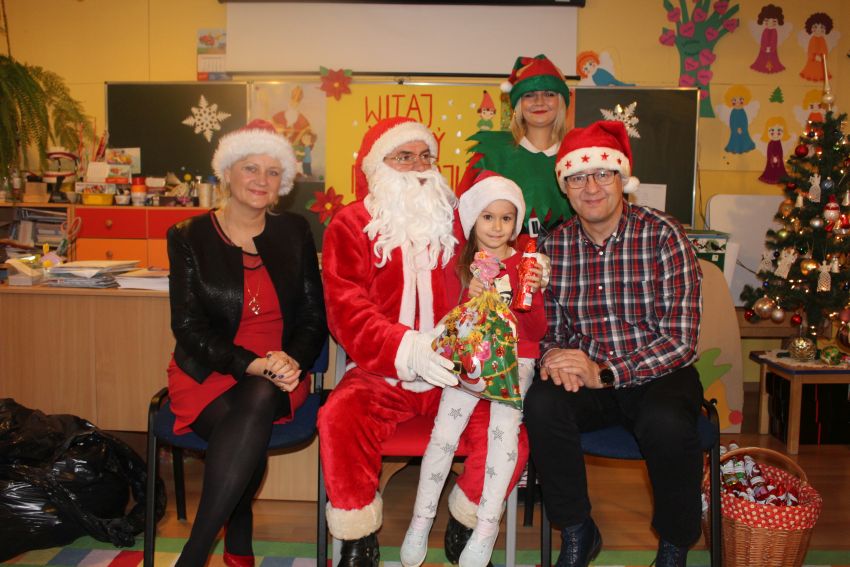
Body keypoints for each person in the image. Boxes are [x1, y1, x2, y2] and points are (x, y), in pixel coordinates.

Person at [319, 117, 529, 567]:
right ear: (377, 166)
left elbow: (503, 230)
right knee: (339, 418)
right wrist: (410, 348)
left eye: (425, 156)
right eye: (403, 156)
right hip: (380, 374)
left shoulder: (456, 220)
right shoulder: (351, 224)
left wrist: (530, 264)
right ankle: (358, 538)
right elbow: (345, 310)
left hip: (456, 375)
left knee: (510, 437)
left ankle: (465, 521)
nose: (418, 166)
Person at [523, 120, 704, 567]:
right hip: (587, 375)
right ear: (565, 188)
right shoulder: (552, 247)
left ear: (622, 179)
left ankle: (675, 542)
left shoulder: (664, 235)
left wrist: (605, 373)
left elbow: (681, 340)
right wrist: (554, 356)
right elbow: (547, 330)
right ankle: (577, 530)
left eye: (602, 174)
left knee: (666, 421)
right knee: (542, 403)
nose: (591, 188)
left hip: (659, 372)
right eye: (577, 178)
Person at [166, 119, 327, 567]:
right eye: (251, 168)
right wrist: (250, 363)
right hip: (208, 369)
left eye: (273, 172)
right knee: (245, 426)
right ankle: (236, 533)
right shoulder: (188, 236)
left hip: (280, 369)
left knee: (258, 395)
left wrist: (292, 361)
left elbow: (314, 316)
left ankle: (194, 555)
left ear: (283, 184)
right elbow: (187, 326)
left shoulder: (294, 231)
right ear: (227, 173)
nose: (261, 180)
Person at [399, 173, 546, 567]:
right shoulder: (459, 264)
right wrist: (469, 296)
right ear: (472, 219)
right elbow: (445, 321)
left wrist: (527, 295)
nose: (497, 227)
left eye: (506, 218)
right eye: (488, 217)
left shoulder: (527, 265)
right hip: (469, 354)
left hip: (515, 358)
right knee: (444, 434)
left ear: (516, 222)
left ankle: (485, 527)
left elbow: (536, 332)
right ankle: (421, 519)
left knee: (504, 433)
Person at [458, 54, 572, 242]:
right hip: (500, 259)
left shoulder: (576, 154)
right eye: (529, 95)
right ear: (518, 103)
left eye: (549, 94)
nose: (539, 101)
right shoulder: (491, 154)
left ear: (561, 100)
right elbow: (462, 217)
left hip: (565, 257)